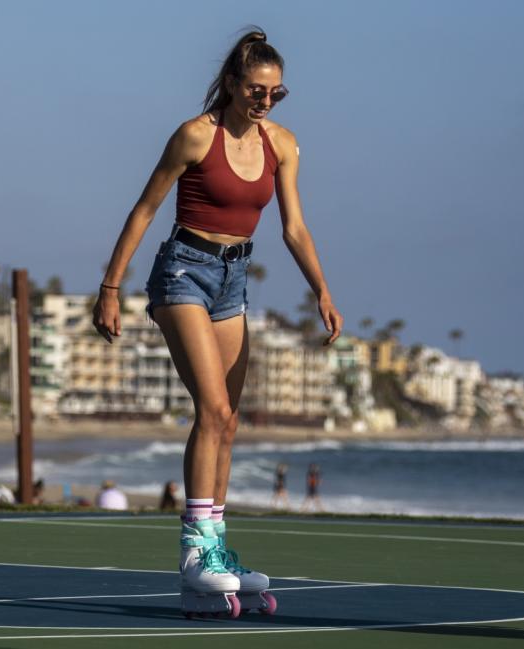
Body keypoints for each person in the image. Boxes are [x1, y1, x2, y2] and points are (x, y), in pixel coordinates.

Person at [91, 28, 342, 615]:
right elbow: (145, 209)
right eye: (256, 89)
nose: (265, 101)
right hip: (182, 271)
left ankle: (215, 551)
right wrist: (110, 287)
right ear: (232, 84)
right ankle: (195, 551)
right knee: (214, 410)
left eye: (276, 93)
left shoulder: (282, 144)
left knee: (230, 423)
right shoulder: (194, 136)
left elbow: (294, 228)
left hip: (234, 280)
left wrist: (322, 291)